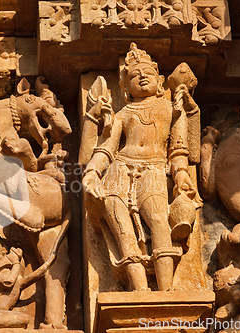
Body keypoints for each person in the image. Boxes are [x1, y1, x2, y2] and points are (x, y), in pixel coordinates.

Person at [82, 43, 196, 291]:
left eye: (149, 73)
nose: (142, 77)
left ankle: (166, 292)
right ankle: (140, 291)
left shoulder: (172, 110)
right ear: (124, 87)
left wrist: (181, 174)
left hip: (154, 171)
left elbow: (178, 151)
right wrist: (92, 173)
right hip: (118, 172)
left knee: (158, 222)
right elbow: (106, 149)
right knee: (123, 230)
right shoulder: (122, 114)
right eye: (134, 75)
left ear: (161, 81)